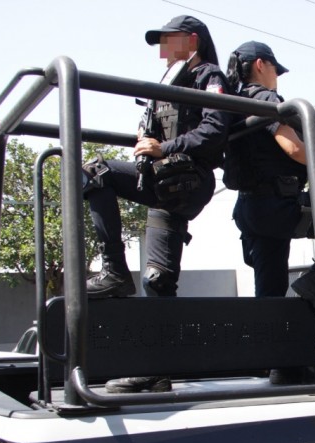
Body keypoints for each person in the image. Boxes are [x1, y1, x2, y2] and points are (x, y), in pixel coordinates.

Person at [85, 15, 231, 393]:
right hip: (162, 182)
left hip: (187, 178)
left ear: (192, 40)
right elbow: (152, 131)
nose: (163, 50)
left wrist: (163, 147)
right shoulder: (166, 84)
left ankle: (114, 272)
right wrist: (145, 139)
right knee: (158, 279)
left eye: (169, 41)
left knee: (95, 172)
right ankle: (156, 371)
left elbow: (215, 130)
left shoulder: (208, 76)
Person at [227, 41, 315, 311]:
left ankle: (269, 351)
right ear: (260, 65)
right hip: (277, 207)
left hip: (250, 210)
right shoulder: (265, 99)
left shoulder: (233, 103)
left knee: (271, 294)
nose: (276, 77)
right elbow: (293, 148)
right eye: (275, 70)